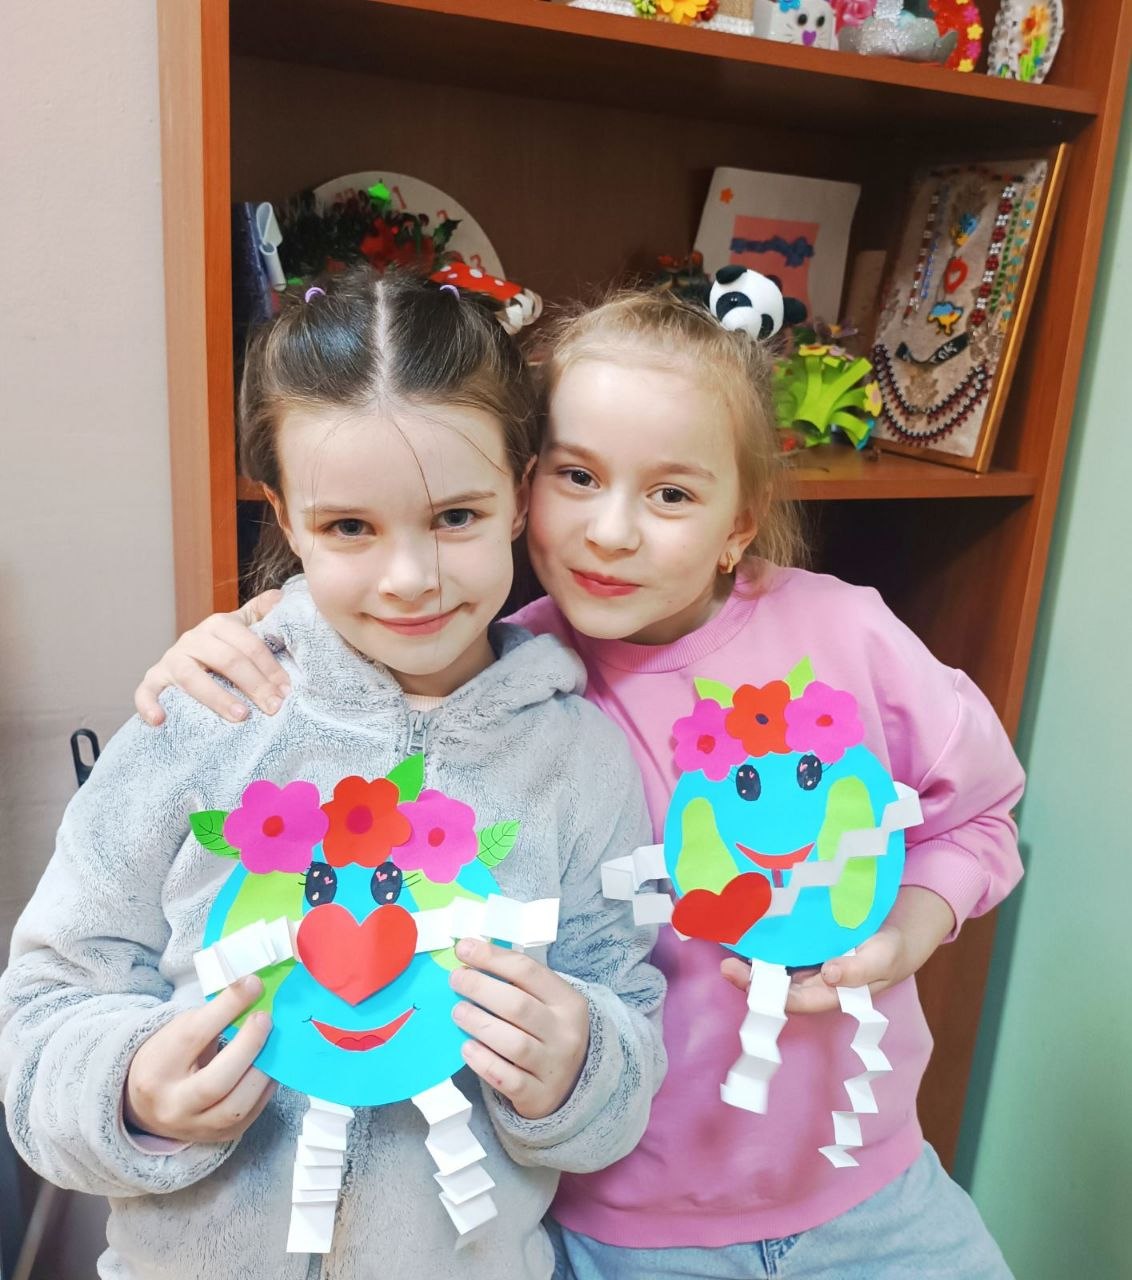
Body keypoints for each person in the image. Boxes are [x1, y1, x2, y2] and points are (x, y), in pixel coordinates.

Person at [132, 288, 1024, 1278]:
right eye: (578, 475)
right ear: (523, 488)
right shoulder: (503, 690)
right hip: (621, 1228)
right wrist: (254, 630)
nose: (611, 532)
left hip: (873, 1187)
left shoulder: (848, 634)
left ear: (741, 521)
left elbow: (980, 814)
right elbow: (350, 680)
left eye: (672, 494)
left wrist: (909, 931)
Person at [0, 269, 667, 1280]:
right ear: (283, 514)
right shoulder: (207, 712)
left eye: (455, 515)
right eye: (350, 527)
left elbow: (626, 1007)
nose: (409, 578)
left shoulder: (579, 760)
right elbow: (49, 998)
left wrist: (580, 1066)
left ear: (520, 488)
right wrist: (131, 1091)